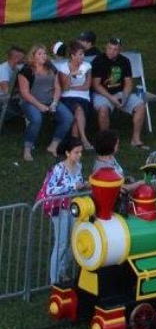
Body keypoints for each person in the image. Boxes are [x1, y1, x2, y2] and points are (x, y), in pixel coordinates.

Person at [40, 136, 87, 284]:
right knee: (61, 244)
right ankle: (55, 281)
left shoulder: (78, 166)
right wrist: (74, 186)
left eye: (80, 152)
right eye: (76, 152)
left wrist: (84, 185)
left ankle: (61, 270)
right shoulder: (59, 168)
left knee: (76, 243)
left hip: (73, 207)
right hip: (59, 208)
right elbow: (50, 190)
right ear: (67, 153)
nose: (79, 155)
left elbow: (78, 183)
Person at [17, 44, 71, 162]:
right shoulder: (26, 70)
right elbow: (25, 93)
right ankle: (27, 149)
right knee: (36, 119)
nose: (43, 56)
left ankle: (53, 145)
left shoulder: (51, 67)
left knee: (68, 117)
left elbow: (57, 87)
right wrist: (39, 106)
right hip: (30, 102)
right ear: (33, 56)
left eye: (45, 53)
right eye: (40, 54)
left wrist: (55, 102)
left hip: (50, 100)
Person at [90, 37, 148, 147]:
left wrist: (124, 97)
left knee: (140, 106)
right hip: (103, 93)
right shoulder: (98, 60)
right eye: (109, 48)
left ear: (120, 50)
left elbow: (129, 83)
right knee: (103, 109)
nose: (111, 51)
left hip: (120, 92)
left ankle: (136, 140)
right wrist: (111, 98)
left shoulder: (124, 61)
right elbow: (96, 85)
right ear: (106, 48)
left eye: (115, 49)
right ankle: (105, 142)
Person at [57, 41, 94, 143]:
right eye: (80, 54)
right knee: (78, 109)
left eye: (83, 54)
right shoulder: (64, 67)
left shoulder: (87, 66)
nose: (83, 57)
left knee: (78, 110)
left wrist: (72, 88)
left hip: (84, 97)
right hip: (67, 97)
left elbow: (87, 86)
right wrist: (70, 75)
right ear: (73, 56)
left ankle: (75, 143)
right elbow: (64, 88)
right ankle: (82, 139)